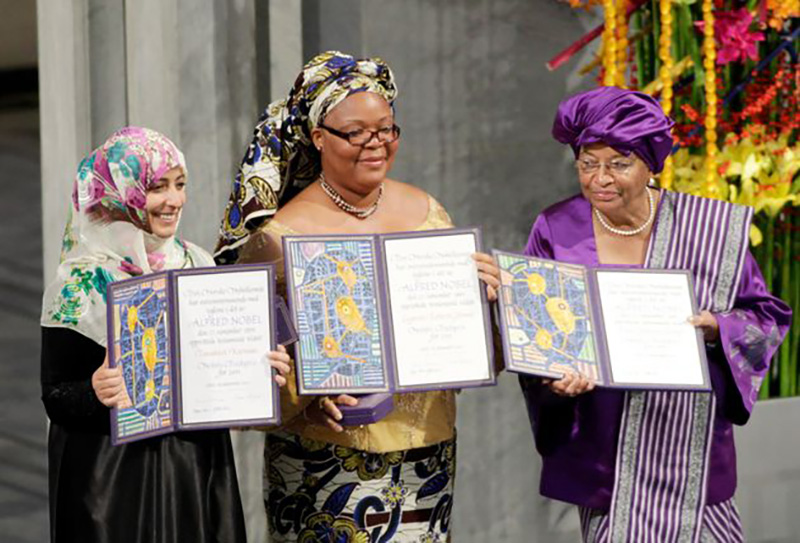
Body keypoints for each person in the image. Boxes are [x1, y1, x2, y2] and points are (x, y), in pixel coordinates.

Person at [216, 51, 500, 543]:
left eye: (386, 129)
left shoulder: (430, 212)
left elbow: (465, 342)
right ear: (319, 137)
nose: (376, 144)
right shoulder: (279, 236)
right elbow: (240, 369)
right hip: (321, 466)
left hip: (426, 459)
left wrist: (488, 303)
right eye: (356, 133)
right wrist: (304, 393)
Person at [519, 86, 792, 542]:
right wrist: (554, 377)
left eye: (618, 163)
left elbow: (765, 318)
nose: (600, 178)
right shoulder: (555, 227)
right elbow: (536, 333)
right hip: (608, 460)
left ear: (650, 164)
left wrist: (715, 329)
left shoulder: (710, 229)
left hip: (691, 455)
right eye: (587, 162)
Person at [40, 127, 291, 543]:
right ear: (121, 192)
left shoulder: (196, 261)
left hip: (193, 466)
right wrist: (94, 392)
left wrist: (258, 368)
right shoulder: (79, 285)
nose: (174, 200)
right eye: (158, 187)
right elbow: (54, 394)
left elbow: (214, 363)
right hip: (112, 478)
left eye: (180, 185)